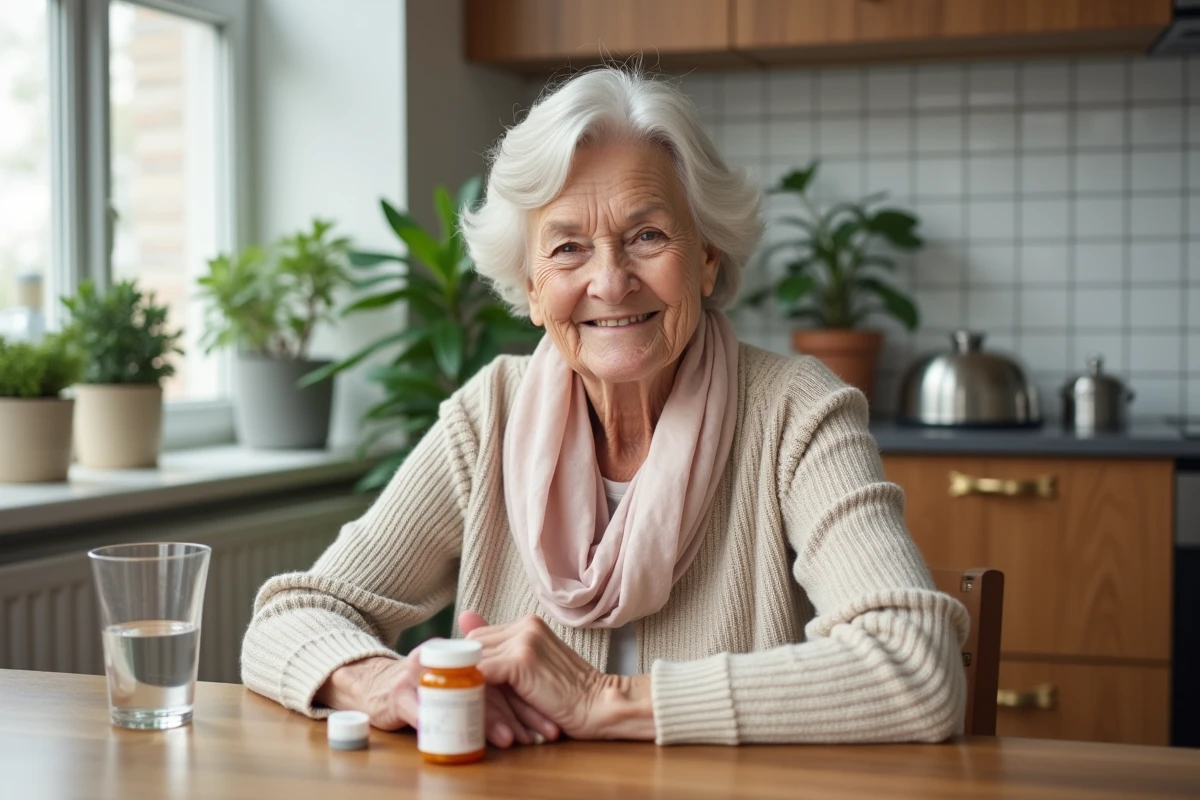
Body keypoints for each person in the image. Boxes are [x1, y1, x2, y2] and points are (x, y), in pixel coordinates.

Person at [241, 67, 968, 747]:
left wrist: (604, 699)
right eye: (567, 249)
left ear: (708, 256)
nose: (611, 282)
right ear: (529, 287)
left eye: (647, 236)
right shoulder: (488, 412)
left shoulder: (795, 415)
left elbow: (916, 666)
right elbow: (292, 617)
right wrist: (390, 685)